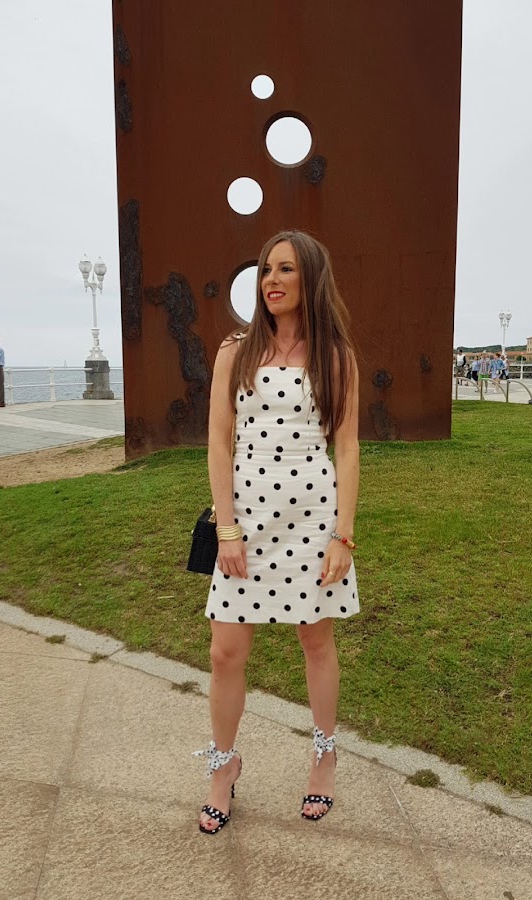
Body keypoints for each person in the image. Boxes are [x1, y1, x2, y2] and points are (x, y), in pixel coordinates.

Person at [195, 230, 360, 835]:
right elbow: (218, 442)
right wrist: (227, 529)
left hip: (313, 520)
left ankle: (324, 754)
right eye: (267, 269)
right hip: (245, 522)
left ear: (310, 277)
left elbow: (347, 447)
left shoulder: (335, 356)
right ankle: (224, 765)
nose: (272, 280)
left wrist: (342, 535)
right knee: (225, 652)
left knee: (316, 641)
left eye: (285, 269)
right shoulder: (235, 352)